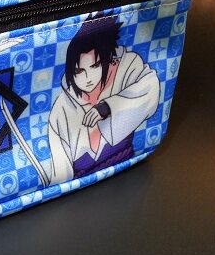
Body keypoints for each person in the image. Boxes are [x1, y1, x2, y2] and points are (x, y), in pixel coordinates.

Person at [47, 12, 160, 184]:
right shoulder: (62, 106)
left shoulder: (126, 68)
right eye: (79, 71)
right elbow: (60, 164)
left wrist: (107, 107)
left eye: (95, 66)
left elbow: (150, 87)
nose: (88, 78)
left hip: (127, 172)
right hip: (81, 181)